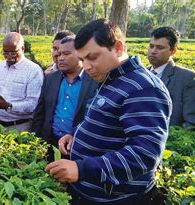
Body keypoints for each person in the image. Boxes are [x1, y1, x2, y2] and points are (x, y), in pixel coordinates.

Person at [46, 19, 171, 204]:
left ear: (118, 48)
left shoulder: (144, 89)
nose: (86, 67)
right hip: (92, 192)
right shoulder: (112, 78)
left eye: (92, 57)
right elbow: (101, 118)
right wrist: (75, 134)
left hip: (115, 198)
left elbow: (144, 155)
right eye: (82, 59)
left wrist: (82, 169)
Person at [32, 36, 98, 163]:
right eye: (59, 53)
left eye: (66, 54)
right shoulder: (51, 79)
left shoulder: (94, 81)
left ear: (80, 54)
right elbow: (40, 113)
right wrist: (36, 142)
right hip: (50, 143)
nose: (60, 58)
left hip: (79, 147)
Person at [0, 32, 43, 132]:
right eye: (5, 52)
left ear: (23, 49)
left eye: (13, 52)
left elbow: (33, 104)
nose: (9, 56)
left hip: (20, 126)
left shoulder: (34, 71)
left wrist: (9, 106)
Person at [147, 26, 195, 129]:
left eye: (160, 48)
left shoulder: (189, 78)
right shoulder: (139, 74)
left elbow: (192, 124)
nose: (153, 51)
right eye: (151, 46)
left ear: (173, 51)